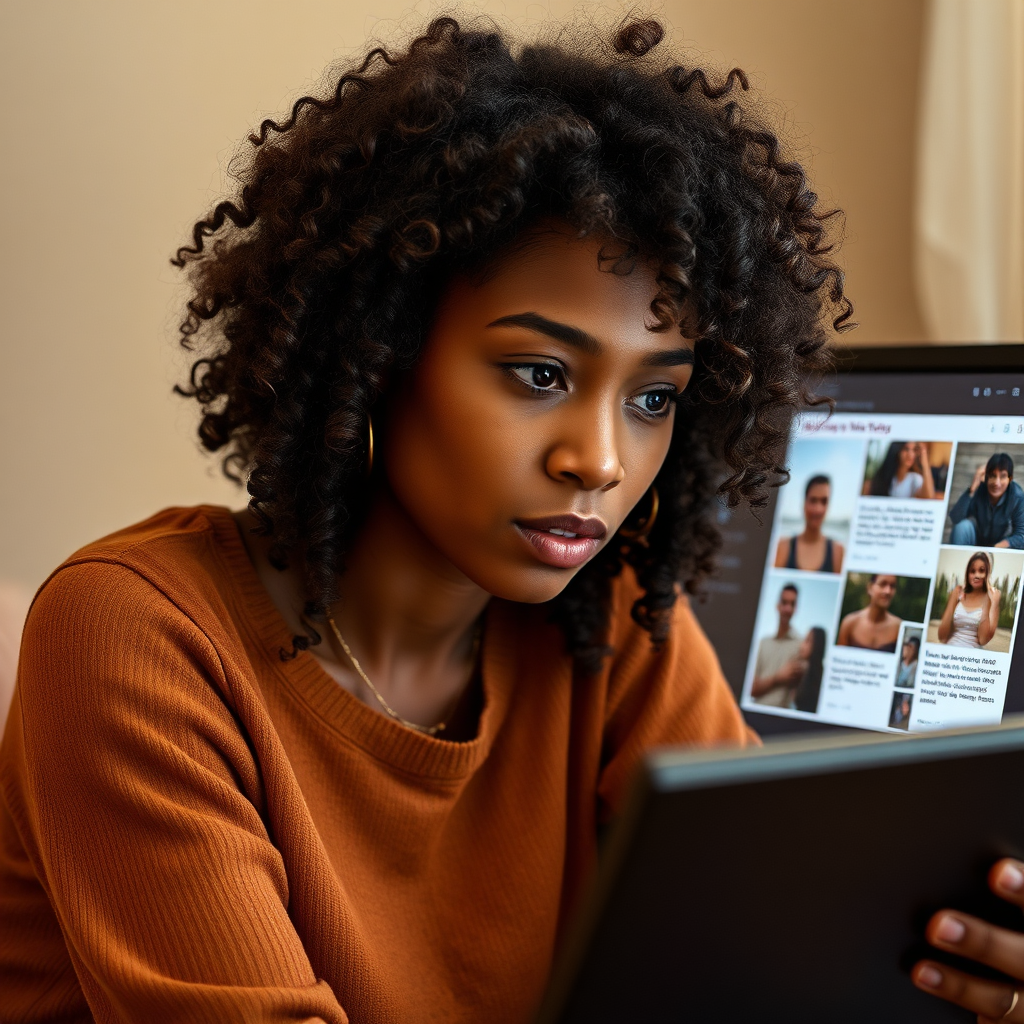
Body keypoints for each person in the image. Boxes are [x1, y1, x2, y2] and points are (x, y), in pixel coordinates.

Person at [0, 17, 1016, 1024]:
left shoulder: (609, 628)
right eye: (540, 374)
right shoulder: (133, 636)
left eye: (653, 398)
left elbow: (780, 944)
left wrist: (961, 969)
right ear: (376, 355)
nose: (601, 460)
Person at [948, 452, 1024, 549]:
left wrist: (995, 548)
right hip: (979, 542)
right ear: (986, 477)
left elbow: (1022, 536)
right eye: (992, 476)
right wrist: (972, 488)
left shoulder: (1018, 497)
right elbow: (955, 518)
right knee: (962, 527)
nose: (997, 483)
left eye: (1003, 476)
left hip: (1003, 547)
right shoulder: (980, 489)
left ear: (1010, 479)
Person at [774, 474, 845, 573]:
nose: (818, 509)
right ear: (804, 503)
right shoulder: (782, 547)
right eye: (813, 500)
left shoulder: (838, 551)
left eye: (824, 501)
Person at [750, 584, 804, 707]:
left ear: (796, 608)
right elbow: (751, 690)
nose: (788, 609)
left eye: (792, 604)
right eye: (784, 602)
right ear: (777, 606)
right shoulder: (763, 643)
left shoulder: (801, 645)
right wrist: (778, 678)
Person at [937, 551, 1002, 649]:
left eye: (981, 570)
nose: (976, 575)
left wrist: (991, 603)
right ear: (967, 573)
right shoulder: (958, 592)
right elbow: (942, 637)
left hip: (971, 657)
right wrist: (954, 598)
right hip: (950, 649)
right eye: (972, 571)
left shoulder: (992, 598)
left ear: (988, 573)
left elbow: (983, 640)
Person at [836, 574, 903, 652]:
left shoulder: (899, 627)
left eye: (892, 586)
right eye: (882, 584)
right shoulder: (850, 623)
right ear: (870, 587)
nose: (888, 591)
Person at [863, 441, 936, 499]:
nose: (910, 455)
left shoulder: (914, 479)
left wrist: (925, 463)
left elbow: (928, 496)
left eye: (914, 450)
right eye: (906, 449)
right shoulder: (885, 478)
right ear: (897, 450)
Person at [792, 625, 827, 714]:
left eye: (807, 641)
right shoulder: (800, 671)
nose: (802, 645)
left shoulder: (818, 679)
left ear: (817, 645)